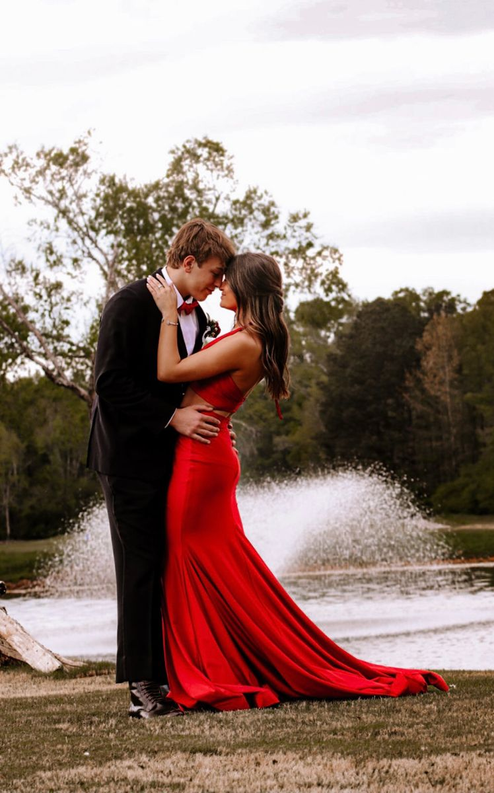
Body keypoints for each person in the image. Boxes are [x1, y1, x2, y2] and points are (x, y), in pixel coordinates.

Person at [145, 252, 449, 712]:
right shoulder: (244, 337)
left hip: (199, 461)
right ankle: (225, 662)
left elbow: (169, 373)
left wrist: (170, 315)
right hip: (207, 453)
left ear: (246, 289)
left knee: (190, 561)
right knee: (219, 567)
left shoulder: (247, 342)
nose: (221, 284)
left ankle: (213, 670)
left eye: (228, 280)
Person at [87, 218, 236, 718]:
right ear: (189, 263)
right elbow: (109, 384)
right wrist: (173, 417)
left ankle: (176, 675)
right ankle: (143, 690)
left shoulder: (198, 317)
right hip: (128, 460)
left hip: (171, 461)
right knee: (139, 568)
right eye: (215, 274)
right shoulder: (129, 304)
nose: (219, 285)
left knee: (169, 565)